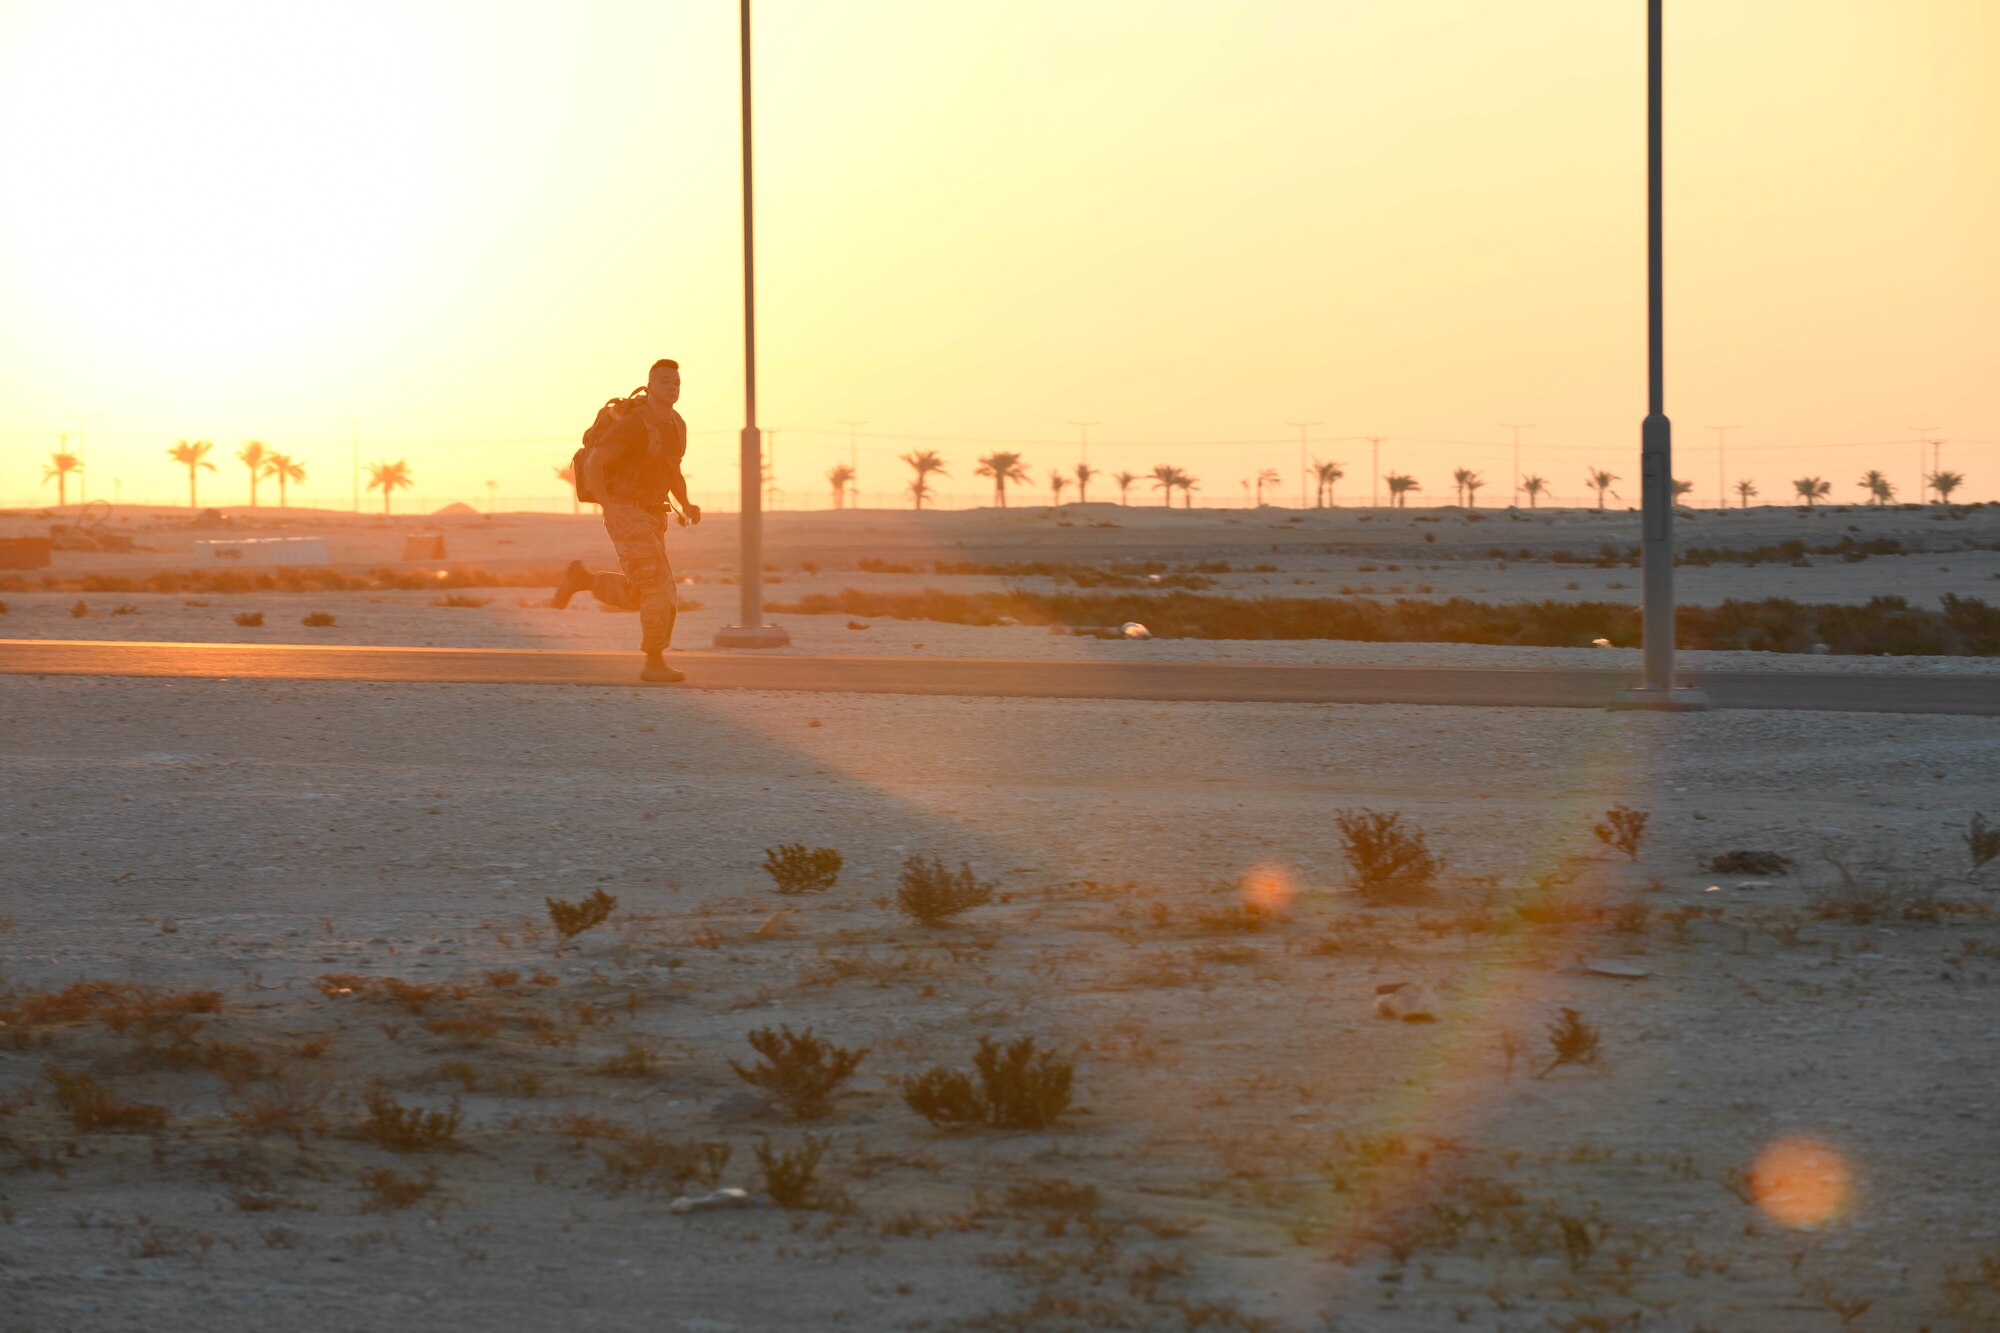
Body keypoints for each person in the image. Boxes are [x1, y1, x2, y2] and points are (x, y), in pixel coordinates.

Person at [553, 358, 701, 682]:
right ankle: (654, 663)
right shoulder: (634, 424)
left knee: (643, 591)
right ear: (650, 386)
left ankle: (583, 580)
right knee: (657, 586)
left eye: (676, 381)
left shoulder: (677, 424)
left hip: (652, 514)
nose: (672, 385)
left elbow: (672, 469)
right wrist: (609, 506)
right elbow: (595, 461)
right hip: (626, 511)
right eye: (664, 380)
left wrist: (687, 503)